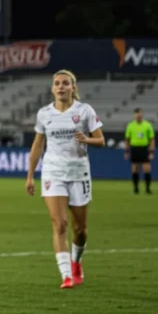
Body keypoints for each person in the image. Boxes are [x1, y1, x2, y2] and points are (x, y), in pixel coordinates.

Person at [25, 69, 104, 289]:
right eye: (57, 83)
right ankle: (66, 275)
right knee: (59, 224)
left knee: (80, 230)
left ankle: (76, 262)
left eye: (65, 83)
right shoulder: (44, 114)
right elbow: (38, 145)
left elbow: (101, 141)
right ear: (52, 89)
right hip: (53, 173)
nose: (61, 87)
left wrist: (87, 139)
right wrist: (30, 176)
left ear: (73, 87)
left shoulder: (85, 111)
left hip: (79, 173)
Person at [124, 108, 154, 194]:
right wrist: (127, 151)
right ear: (135, 115)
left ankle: (148, 189)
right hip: (134, 148)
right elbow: (127, 139)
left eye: (140, 115)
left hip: (144, 148)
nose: (139, 116)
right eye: (137, 115)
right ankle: (136, 188)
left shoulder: (147, 125)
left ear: (142, 115)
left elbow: (151, 139)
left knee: (146, 168)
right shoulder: (130, 125)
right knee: (135, 168)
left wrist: (151, 152)